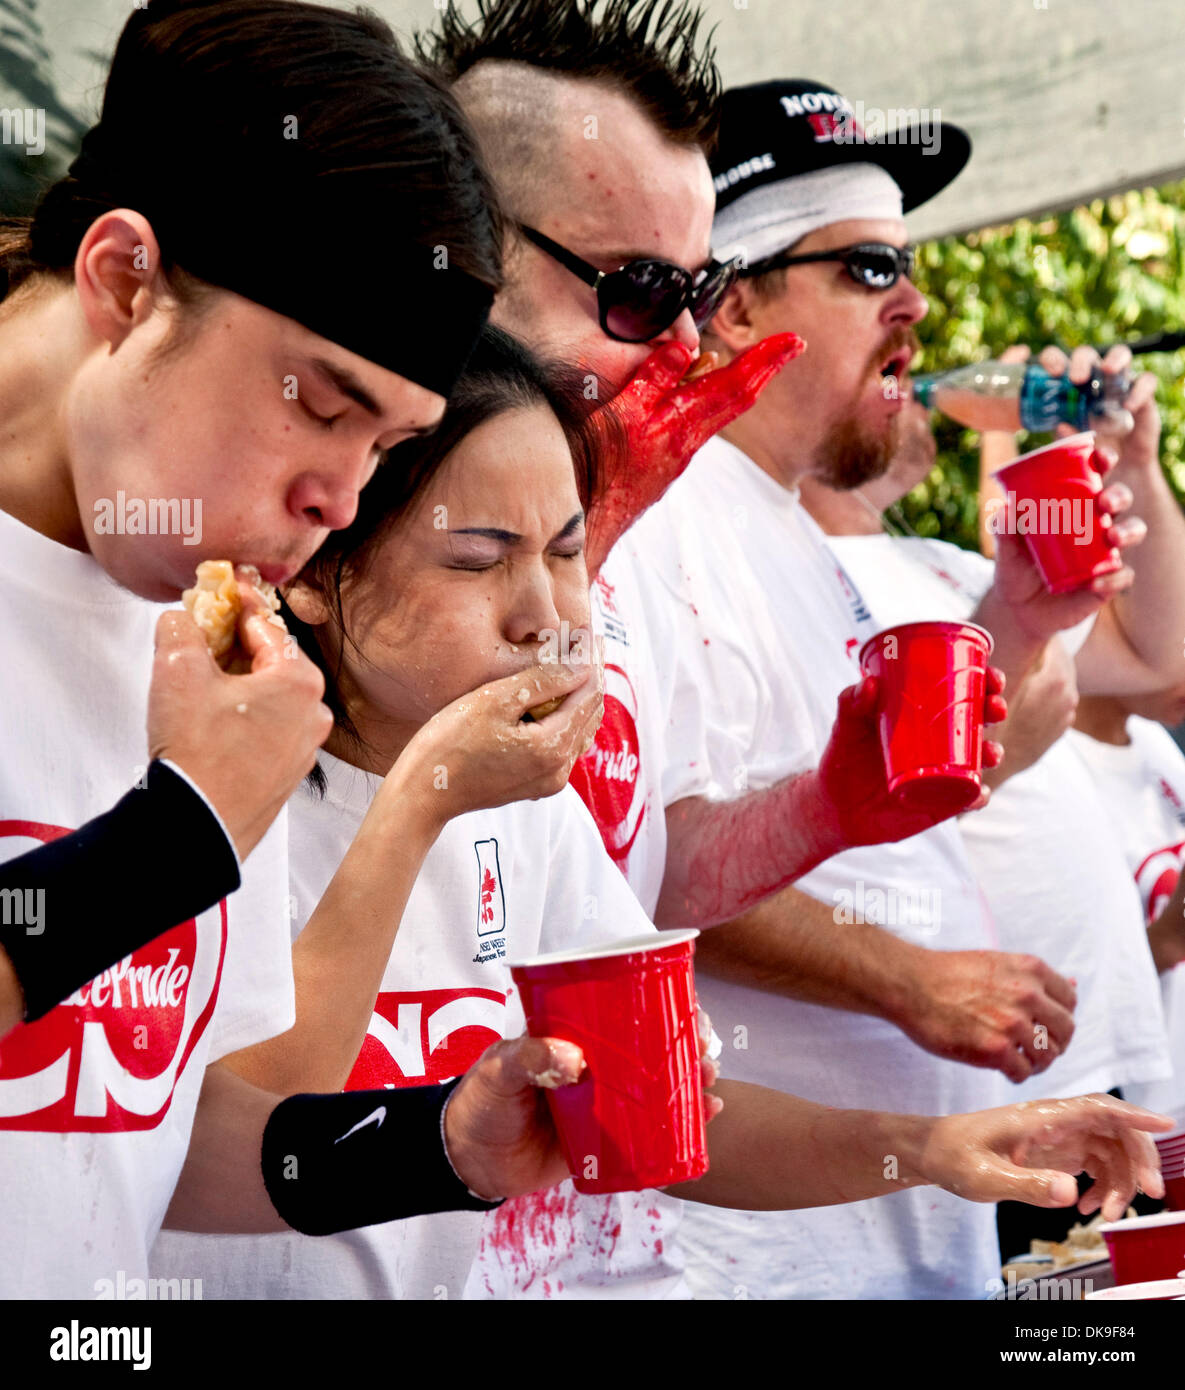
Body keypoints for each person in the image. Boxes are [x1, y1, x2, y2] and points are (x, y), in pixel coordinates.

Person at [151, 327, 1174, 1302]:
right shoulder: (220, 776)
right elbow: (241, 1131)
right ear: (319, 572)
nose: (543, 616)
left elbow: (666, 1115)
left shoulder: (531, 815)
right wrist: (425, 798)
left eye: (562, 552)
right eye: (475, 558)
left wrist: (935, 1148)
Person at [0, 0, 585, 1299]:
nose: (339, 499)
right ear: (123, 281)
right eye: (319, 403)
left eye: (385, 449)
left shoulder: (204, 639)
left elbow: (135, 1129)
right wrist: (176, 835)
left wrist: (429, 1146)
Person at [611, 75, 1183, 1299]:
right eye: (868, 268)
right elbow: (632, 861)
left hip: (911, 1227)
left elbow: (902, 798)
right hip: (755, 1262)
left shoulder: (794, 536)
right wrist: (905, 978)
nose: (917, 303)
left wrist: (1021, 625)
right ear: (732, 305)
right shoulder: (661, 525)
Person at [1071, 685, 1185, 1123]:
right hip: (1133, 1116)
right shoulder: (1043, 760)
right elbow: (1058, 1008)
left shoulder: (1146, 727)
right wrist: (1169, 938)